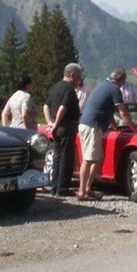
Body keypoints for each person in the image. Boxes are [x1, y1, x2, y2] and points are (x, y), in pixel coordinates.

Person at [77, 67, 137, 201]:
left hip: (87, 124)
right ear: (121, 80)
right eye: (124, 81)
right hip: (93, 125)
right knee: (89, 159)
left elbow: (106, 109)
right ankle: (82, 191)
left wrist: (115, 126)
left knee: (98, 158)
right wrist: (134, 129)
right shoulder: (115, 89)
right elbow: (122, 112)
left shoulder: (103, 86)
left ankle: (87, 188)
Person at [44, 63, 83, 195]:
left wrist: (50, 122)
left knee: (57, 156)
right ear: (72, 75)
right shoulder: (69, 89)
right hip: (66, 126)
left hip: (57, 127)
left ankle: (54, 186)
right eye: (78, 76)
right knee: (66, 156)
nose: (80, 79)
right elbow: (63, 107)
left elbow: (46, 106)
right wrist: (56, 124)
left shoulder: (56, 87)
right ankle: (62, 188)